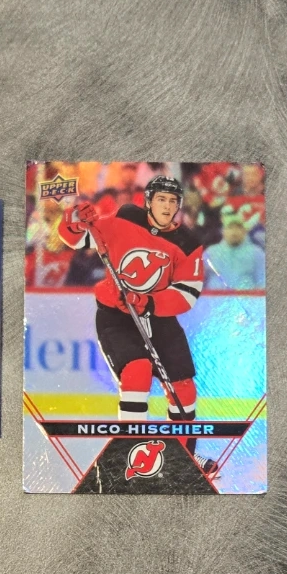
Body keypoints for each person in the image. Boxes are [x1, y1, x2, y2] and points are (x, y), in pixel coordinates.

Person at [58, 174, 204, 429]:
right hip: (117, 317)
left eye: (173, 201)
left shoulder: (188, 244)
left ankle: (183, 447)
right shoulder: (125, 218)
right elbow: (77, 239)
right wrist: (76, 219)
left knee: (184, 388)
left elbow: (186, 294)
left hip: (159, 319)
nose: (167, 206)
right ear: (149, 201)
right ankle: (132, 443)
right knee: (137, 371)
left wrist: (149, 302)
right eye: (161, 199)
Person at [204, 212, 266, 290]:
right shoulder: (211, 252)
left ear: (244, 231)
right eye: (230, 228)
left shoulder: (256, 253)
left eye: (238, 228)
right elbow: (200, 280)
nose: (234, 232)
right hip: (214, 296)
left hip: (246, 296)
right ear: (223, 231)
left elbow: (263, 281)